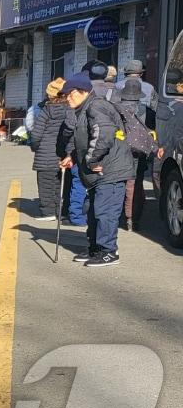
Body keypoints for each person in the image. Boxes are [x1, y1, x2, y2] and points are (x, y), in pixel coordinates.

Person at [59, 72, 133, 267]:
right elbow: (85, 139)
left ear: (83, 91)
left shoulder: (96, 106)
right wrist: (73, 157)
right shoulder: (84, 109)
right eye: (65, 95)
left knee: (105, 211)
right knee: (92, 210)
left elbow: (103, 135)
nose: (67, 98)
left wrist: (91, 161)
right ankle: (95, 248)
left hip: (109, 170)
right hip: (98, 171)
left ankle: (108, 251)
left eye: (70, 93)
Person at [30, 79, 69, 221]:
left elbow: (36, 134)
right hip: (64, 153)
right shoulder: (70, 108)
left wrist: (34, 147)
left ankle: (48, 212)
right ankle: (61, 211)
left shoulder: (47, 109)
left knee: (46, 183)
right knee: (61, 184)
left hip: (45, 152)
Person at [115, 79, 151, 230]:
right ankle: (132, 219)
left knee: (117, 184)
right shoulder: (145, 110)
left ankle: (116, 216)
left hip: (118, 151)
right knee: (135, 185)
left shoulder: (115, 109)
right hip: (138, 152)